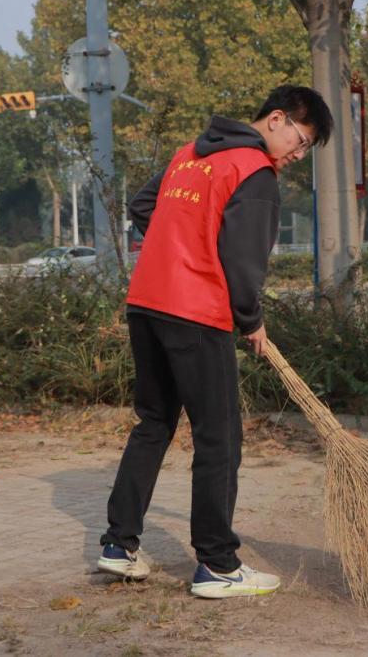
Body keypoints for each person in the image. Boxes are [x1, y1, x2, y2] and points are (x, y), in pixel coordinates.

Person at [96, 85, 333, 598]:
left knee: (153, 424)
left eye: (306, 149)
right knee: (219, 438)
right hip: (195, 312)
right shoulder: (255, 172)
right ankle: (218, 565)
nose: (297, 155)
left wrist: (180, 242)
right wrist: (251, 320)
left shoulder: (189, 154)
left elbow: (142, 205)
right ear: (276, 119)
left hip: (146, 304)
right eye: (301, 140)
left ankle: (118, 544)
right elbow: (244, 264)